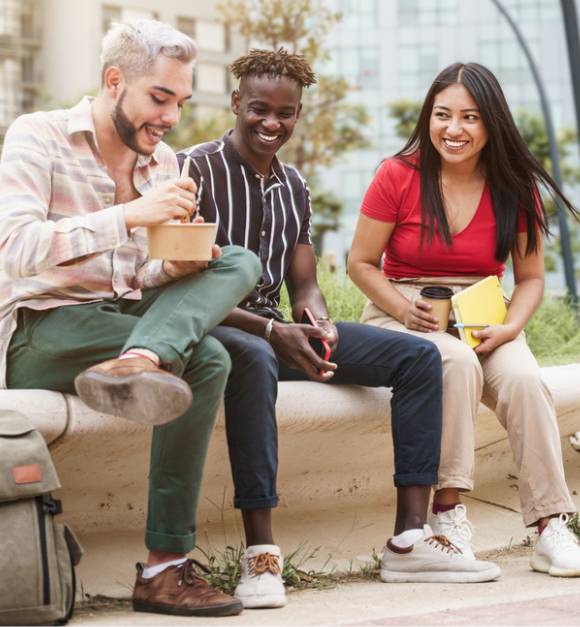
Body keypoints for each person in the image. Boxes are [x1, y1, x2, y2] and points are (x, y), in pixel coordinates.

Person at [178, 49, 501, 608]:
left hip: (277, 329)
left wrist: (316, 323)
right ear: (235, 103)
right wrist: (270, 331)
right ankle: (261, 555)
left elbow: (303, 283)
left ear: (299, 113)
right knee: (254, 359)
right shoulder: (193, 170)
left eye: (287, 112)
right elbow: (177, 287)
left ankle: (409, 540)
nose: (272, 123)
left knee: (420, 357)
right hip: (214, 329)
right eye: (259, 109)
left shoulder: (294, 185)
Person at [0, 20, 264, 617]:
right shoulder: (39, 135)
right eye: (160, 98)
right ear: (115, 82)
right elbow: (15, 249)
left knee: (237, 261)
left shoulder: (162, 165)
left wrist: (174, 271)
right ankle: (166, 563)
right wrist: (131, 215)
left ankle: (162, 567)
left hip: (117, 321)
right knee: (207, 356)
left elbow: (133, 278)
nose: (171, 119)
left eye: (181, 103)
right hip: (37, 330)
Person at [347, 62, 580, 577]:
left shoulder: (515, 186)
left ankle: (552, 528)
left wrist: (512, 328)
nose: (453, 129)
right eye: (443, 115)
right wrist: (403, 308)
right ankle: (447, 517)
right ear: (428, 117)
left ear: (492, 124)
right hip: (403, 309)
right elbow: (360, 263)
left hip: (485, 312)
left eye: (470, 117)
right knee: (455, 363)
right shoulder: (397, 175)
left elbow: (529, 278)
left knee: (527, 381)